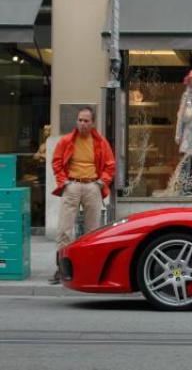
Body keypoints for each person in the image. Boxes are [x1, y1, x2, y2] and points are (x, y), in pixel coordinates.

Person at [49, 107, 115, 284]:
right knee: (64, 230)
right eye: (80, 120)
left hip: (92, 186)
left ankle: (89, 269)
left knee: (92, 232)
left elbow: (110, 165)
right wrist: (64, 182)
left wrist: (101, 183)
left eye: (86, 121)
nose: (82, 124)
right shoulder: (66, 140)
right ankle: (61, 270)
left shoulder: (100, 142)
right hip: (72, 185)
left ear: (92, 122)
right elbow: (56, 162)